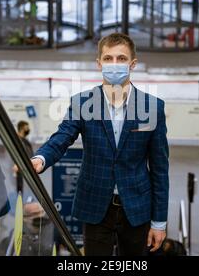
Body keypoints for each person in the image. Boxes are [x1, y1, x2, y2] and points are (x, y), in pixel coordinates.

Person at [31, 33, 169, 256]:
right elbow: (62, 137)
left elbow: (160, 170)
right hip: (96, 204)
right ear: (99, 63)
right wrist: (40, 158)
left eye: (121, 59)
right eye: (108, 58)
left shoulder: (152, 108)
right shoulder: (81, 103)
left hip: (136, 206)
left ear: (133, 64)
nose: (114, 64)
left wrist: (159, 222)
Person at [0, 120, 34, 224]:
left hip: (22, 174)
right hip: (16, 174)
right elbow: (11, 158)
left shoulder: (24, 141)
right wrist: (13, 170)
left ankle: (4, 217)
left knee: (16, 196)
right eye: (26, 127)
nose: (28, 129)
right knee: (15, 197)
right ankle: (1, 216)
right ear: (21, 128)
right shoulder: (17, 141)